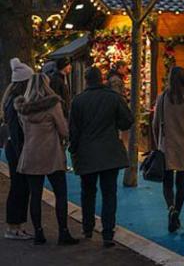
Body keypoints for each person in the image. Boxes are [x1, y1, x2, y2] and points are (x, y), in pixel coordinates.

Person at [69, 66, 133, 247]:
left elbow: (73, 130)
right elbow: (127, 120)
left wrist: (74, 150)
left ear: (86, 80)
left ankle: (88, 227)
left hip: (87, 152)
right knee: (109, 193)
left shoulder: (78, 101)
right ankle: (107, 233)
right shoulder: (113, 98)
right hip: (109, 151)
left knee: (87, 192)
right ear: (102, 79)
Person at [15, 73, 78, 245]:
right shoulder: (53, 105)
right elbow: (64, 130)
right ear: (46, 85)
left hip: (30, 155)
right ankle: (63, 232)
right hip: (51, 155)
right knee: (60, 194)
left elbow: (23, 130)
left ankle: (39, 233)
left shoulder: (22, 108)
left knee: (35, 195)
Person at [152, 66, 184, 233]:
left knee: (167, 182)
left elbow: (155, 123)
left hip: (166, 145)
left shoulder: (162, 97)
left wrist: (157, 141)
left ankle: (170, 208)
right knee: (180, 182)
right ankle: (177, 213)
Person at [2, 58, 33, 240]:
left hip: (14, 148)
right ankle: (14, 226)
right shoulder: (16, 103)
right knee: (19, 187)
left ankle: (16, 225)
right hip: (18, 149)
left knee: (19, 187)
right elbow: (16, 130)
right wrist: (23, 152)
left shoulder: (10, 100)